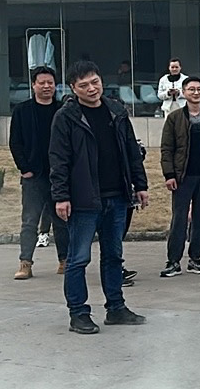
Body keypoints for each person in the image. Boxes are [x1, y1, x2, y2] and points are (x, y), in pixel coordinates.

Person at [49, 60, 149, 334]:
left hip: (117, 197)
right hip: (83, 200)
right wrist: (61, 196)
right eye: (84, 85)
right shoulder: (66, 117)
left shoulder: (116, 110)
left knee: (114, 256)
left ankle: (116, 308)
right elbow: (58, 160)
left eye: (95, 82)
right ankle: (79, 313)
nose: (91, 89)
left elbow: (131, 151)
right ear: (73, 88)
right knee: (78, 259)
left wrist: (140, 185)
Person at [159, 75, 200, 277]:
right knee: (179, 219)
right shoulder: (174, 118)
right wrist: (169, 174)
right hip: (182, 177)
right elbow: (167, 148)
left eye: (199, 89)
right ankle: (173, 261)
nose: (196, 93)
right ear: (184, 92)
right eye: (191, 89)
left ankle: (195, 258)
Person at [11, 66, 69, 279]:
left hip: (59, 175)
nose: (46, 86)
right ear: (33, 85)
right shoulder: (22, 110)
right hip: (33, 176)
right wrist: (25, 169)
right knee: (29, 221)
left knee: (62, 220)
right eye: (42, 83)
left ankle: (65, 261)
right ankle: (25, 263)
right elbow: (15, 142)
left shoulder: (63, 110)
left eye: (50, 83)